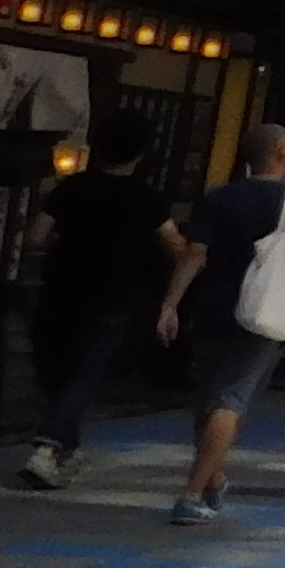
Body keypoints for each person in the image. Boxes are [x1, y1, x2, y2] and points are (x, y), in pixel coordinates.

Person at [152, 123, 285, 526]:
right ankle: (193, 492)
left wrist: (170, 305)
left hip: (213, 306)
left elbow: (194, 254)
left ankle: (212, 478)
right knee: (231, 398)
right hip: (267, 311)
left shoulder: (219, 197)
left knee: (208, 395)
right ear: (282, 154)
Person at [18, 112, 180, 489]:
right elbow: (175, 244)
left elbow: (35, 237)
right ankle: (49, 447)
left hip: (59, 288)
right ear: (141, 153)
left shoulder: (71, 188)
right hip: (114, 295)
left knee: (56, 371)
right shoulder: (146, 198)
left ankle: (66, 451)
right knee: (84, 373)